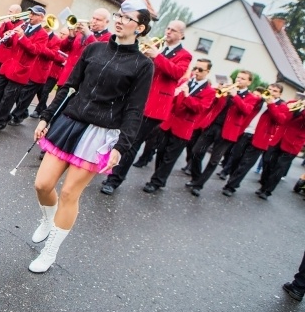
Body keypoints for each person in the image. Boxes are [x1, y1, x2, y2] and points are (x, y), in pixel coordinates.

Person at [29, 0, 154, 273]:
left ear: (141, 28)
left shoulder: (143, 65)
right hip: (70, 122)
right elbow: (68, 86)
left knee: (70, 193)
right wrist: (46, 117)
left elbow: (135, 109)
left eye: (128, 18)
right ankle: (47, 219)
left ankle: (51, 250)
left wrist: (121, 147)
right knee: (42, 184)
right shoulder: (94, 49)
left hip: (100, 133)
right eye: (119, 14)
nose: (120, 20)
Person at [100, 20, 191, 194]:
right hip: (138, 98)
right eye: (168, 28)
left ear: (182, 35)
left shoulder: (184, 55)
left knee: (131, 142)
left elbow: (177, 73)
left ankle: (114, 180)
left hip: (155, 106)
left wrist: (158, 56)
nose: (169, 31)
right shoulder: (159, 45)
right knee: (120, 136)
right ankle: (109, 170)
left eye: (173, 30)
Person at [141, 59, 215, 193]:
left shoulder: (210, 92)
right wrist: (175, 93)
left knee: (170, 158)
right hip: (169, 122)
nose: (196, 72)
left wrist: (186, 95)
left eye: (200, 70)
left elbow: (200, 108)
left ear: (207, 72)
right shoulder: (184, 82)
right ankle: (159, 179)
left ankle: (156, 182)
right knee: (161, 152)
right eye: (195, 68)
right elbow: (171, 100)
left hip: (183, 127)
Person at [184, 71, 260, 196]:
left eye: (243, 78)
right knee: (196, 151)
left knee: (214, 160)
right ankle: (196, 177)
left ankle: (199, 185)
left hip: (228, 131)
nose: (239, 80)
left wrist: (235, 96)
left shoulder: (252, 97)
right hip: (212, 125)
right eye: (238, 77)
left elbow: (246, 110)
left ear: (249, 82)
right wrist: (217, 92)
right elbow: (212, 103)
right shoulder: (227, 89)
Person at [0, 6, 48, 131]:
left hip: (20, 70)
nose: (30, 16)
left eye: (34, 14)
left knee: (8, 97)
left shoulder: (43, 34)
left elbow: (35, 50)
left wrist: (22, 37)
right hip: (8, 65)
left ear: (41, 17)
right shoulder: (22, 27)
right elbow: (11, 44)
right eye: (31, 13)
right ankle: (5, 116)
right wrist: (7, 37)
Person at [220, 84, 290, 197]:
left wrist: (271, 104)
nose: (271, 92)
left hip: (260, 138)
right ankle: (232, 180)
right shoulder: (258, 100)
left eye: (275, 91)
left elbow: (280, 120)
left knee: (246, 164)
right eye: (270, 89)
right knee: (235, 158)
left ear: (279, 94)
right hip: (245, 132)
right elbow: (246, 107)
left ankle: (231, 186)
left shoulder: (282, 106)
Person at [254, 103, 305, 199]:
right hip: (278, 139)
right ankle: (264, 184)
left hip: (293, 144)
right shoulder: (293, 102)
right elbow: (281, 118)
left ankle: (267, 191)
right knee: (267, 160)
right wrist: (291, 108)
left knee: (279, 168)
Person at [56, 8, 111, 87]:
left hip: (81, 82)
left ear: (107, 22)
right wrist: (71, 37)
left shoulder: (108, 37)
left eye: (98, 19)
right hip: (66, 78)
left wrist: (89, 35)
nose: (94, 21)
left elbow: (99, 54)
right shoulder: (80, 32)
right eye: (93, 18)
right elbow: (63, 48)